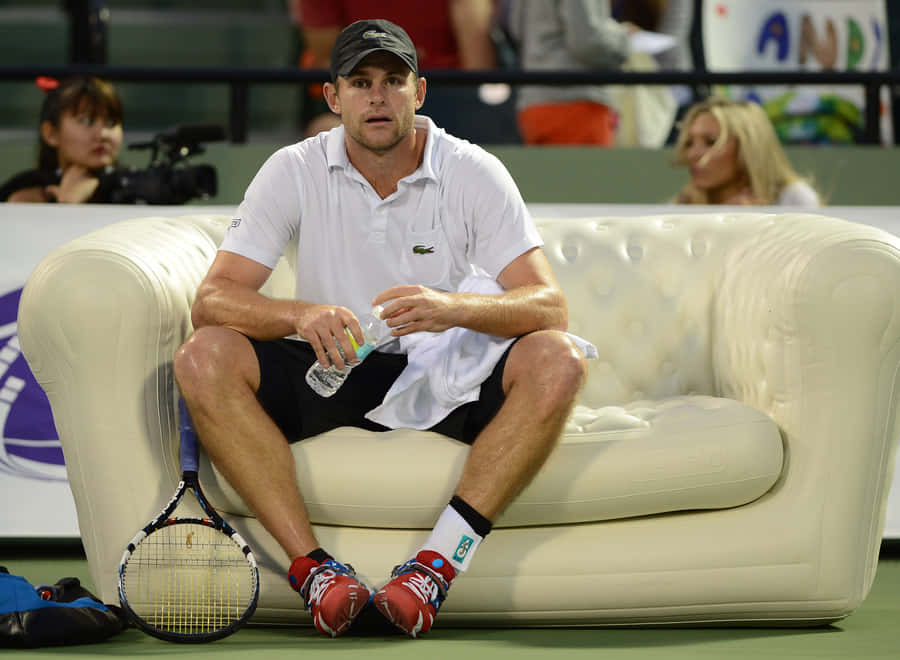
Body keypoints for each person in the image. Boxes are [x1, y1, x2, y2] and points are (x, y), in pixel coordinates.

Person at [173, 19, 588, 639]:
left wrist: (453, 307)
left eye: (393, 81)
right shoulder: (293, 169)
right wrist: (300, 314)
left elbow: (550, 307)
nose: (378, 96)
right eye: (361, 82)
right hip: (334, 366)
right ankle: (316, 574)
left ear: (419, 93)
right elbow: (213, 299)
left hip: (446, 371)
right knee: (203, 356)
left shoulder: (473, 169)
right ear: (333, 97)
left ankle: (433, 571)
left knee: (560, 358)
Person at [290, 0, 518, 144]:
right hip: (364, 105)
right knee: (323, 130)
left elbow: (478, 76)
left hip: (453, 102)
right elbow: (330, 58)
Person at [506, 0, 633, 145]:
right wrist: (625, 39)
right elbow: (587, 41)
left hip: (533, 104)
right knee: (589, 168)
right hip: (578, 102)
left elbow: (516, 27)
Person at [673, 97, 822, 206]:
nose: (692, 154)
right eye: (689, 143)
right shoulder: (682, 205)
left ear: (747, 148)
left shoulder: (794, 199)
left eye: (711, 142)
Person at [0, 76, 124, 203]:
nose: (103, 134)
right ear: (51, 133)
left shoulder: (133, 188)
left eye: (111, 123)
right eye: (86, 121)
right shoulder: (25, 188)